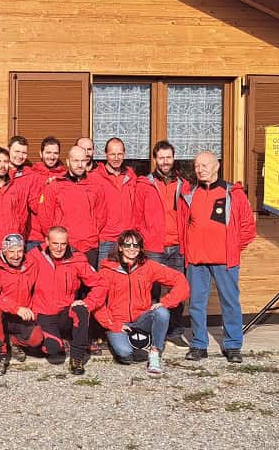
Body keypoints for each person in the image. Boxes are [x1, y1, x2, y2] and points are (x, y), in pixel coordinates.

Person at [180, 151, 256, 364]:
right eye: (196, 166)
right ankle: (198, 345)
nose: (200, 169)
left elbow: (248, 227)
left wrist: (232, 248)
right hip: (196, 260)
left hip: (225, 260)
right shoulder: (190, 193)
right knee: (196, 304)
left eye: (204, 165)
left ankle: (232, 345)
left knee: (230, 303)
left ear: (217, 166)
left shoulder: (233, 193)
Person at [91, 230, 189, 375]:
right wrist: (112, 324)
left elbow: (180, 280)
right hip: (119, 321)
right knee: (125, 354)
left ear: (140, 248)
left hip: (142, 319)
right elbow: (97, 302)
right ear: (120, 247)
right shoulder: (107, 271)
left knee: (161, 312)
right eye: (127, 245)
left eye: (136, 245)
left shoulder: (148, 266)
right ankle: (133, 344)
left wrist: (166, 302)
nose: (132, 248)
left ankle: (155, 353)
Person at [133, 140, 189, 348]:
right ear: (155, 159)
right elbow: (137, 215)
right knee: (151, 291)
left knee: (177, 290)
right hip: (153, 246)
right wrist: (141, 242)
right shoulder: (144, 184)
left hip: (177, 246)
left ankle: (175, 331)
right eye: (161, 158)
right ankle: (150, 331)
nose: (165, 162)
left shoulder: (183, 184)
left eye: (168, 157)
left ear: (173, 159)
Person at [31, 226, 107, 375]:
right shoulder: (34, 257)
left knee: (81, 310)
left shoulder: (76, 258)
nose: (59, 248)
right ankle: (29, 340)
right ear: (47, 241)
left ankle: (77, 358)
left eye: (63, 244)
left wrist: (89, 302)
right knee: (53, 350)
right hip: (43, 313)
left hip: (66, 312)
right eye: (55, 243)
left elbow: (100, 284)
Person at [0, 234, 44, 375]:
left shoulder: (32, 264)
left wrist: (34, 311)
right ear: (3, 251)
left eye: (20, 251)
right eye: (11, 251)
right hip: (4, 315)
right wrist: (15, 308)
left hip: (24, 315)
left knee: (37, 339)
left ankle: (13, 341)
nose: (16, 256)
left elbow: (39, 289)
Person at [37, 145, 106, 268]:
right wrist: (57, 240)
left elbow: (101, 215)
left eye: (83, 161)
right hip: (64, 246)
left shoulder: (96, 186)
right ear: (68, 162)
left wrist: (92, 232)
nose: (80, 165)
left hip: (89, 246)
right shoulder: (55, 186)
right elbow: (45, 217)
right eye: (75, 161)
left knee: (88, 285)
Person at [90, 137, 139, 262]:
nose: (116, 158)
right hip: (106, 239)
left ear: (124, 154)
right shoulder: (94, 178)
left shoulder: (131, 176)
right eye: (112, 154)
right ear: (105, 154)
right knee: (104, 279)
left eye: (119, 154)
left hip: (128, 240)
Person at [26, 136, 67, 248]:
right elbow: (34, 206)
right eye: (48, 152)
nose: (52, 157)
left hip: (59, 237)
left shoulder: (64, 176)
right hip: (35, 237)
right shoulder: (32, 175)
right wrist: (47, 188)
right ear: (41, 153)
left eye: (55, 153)